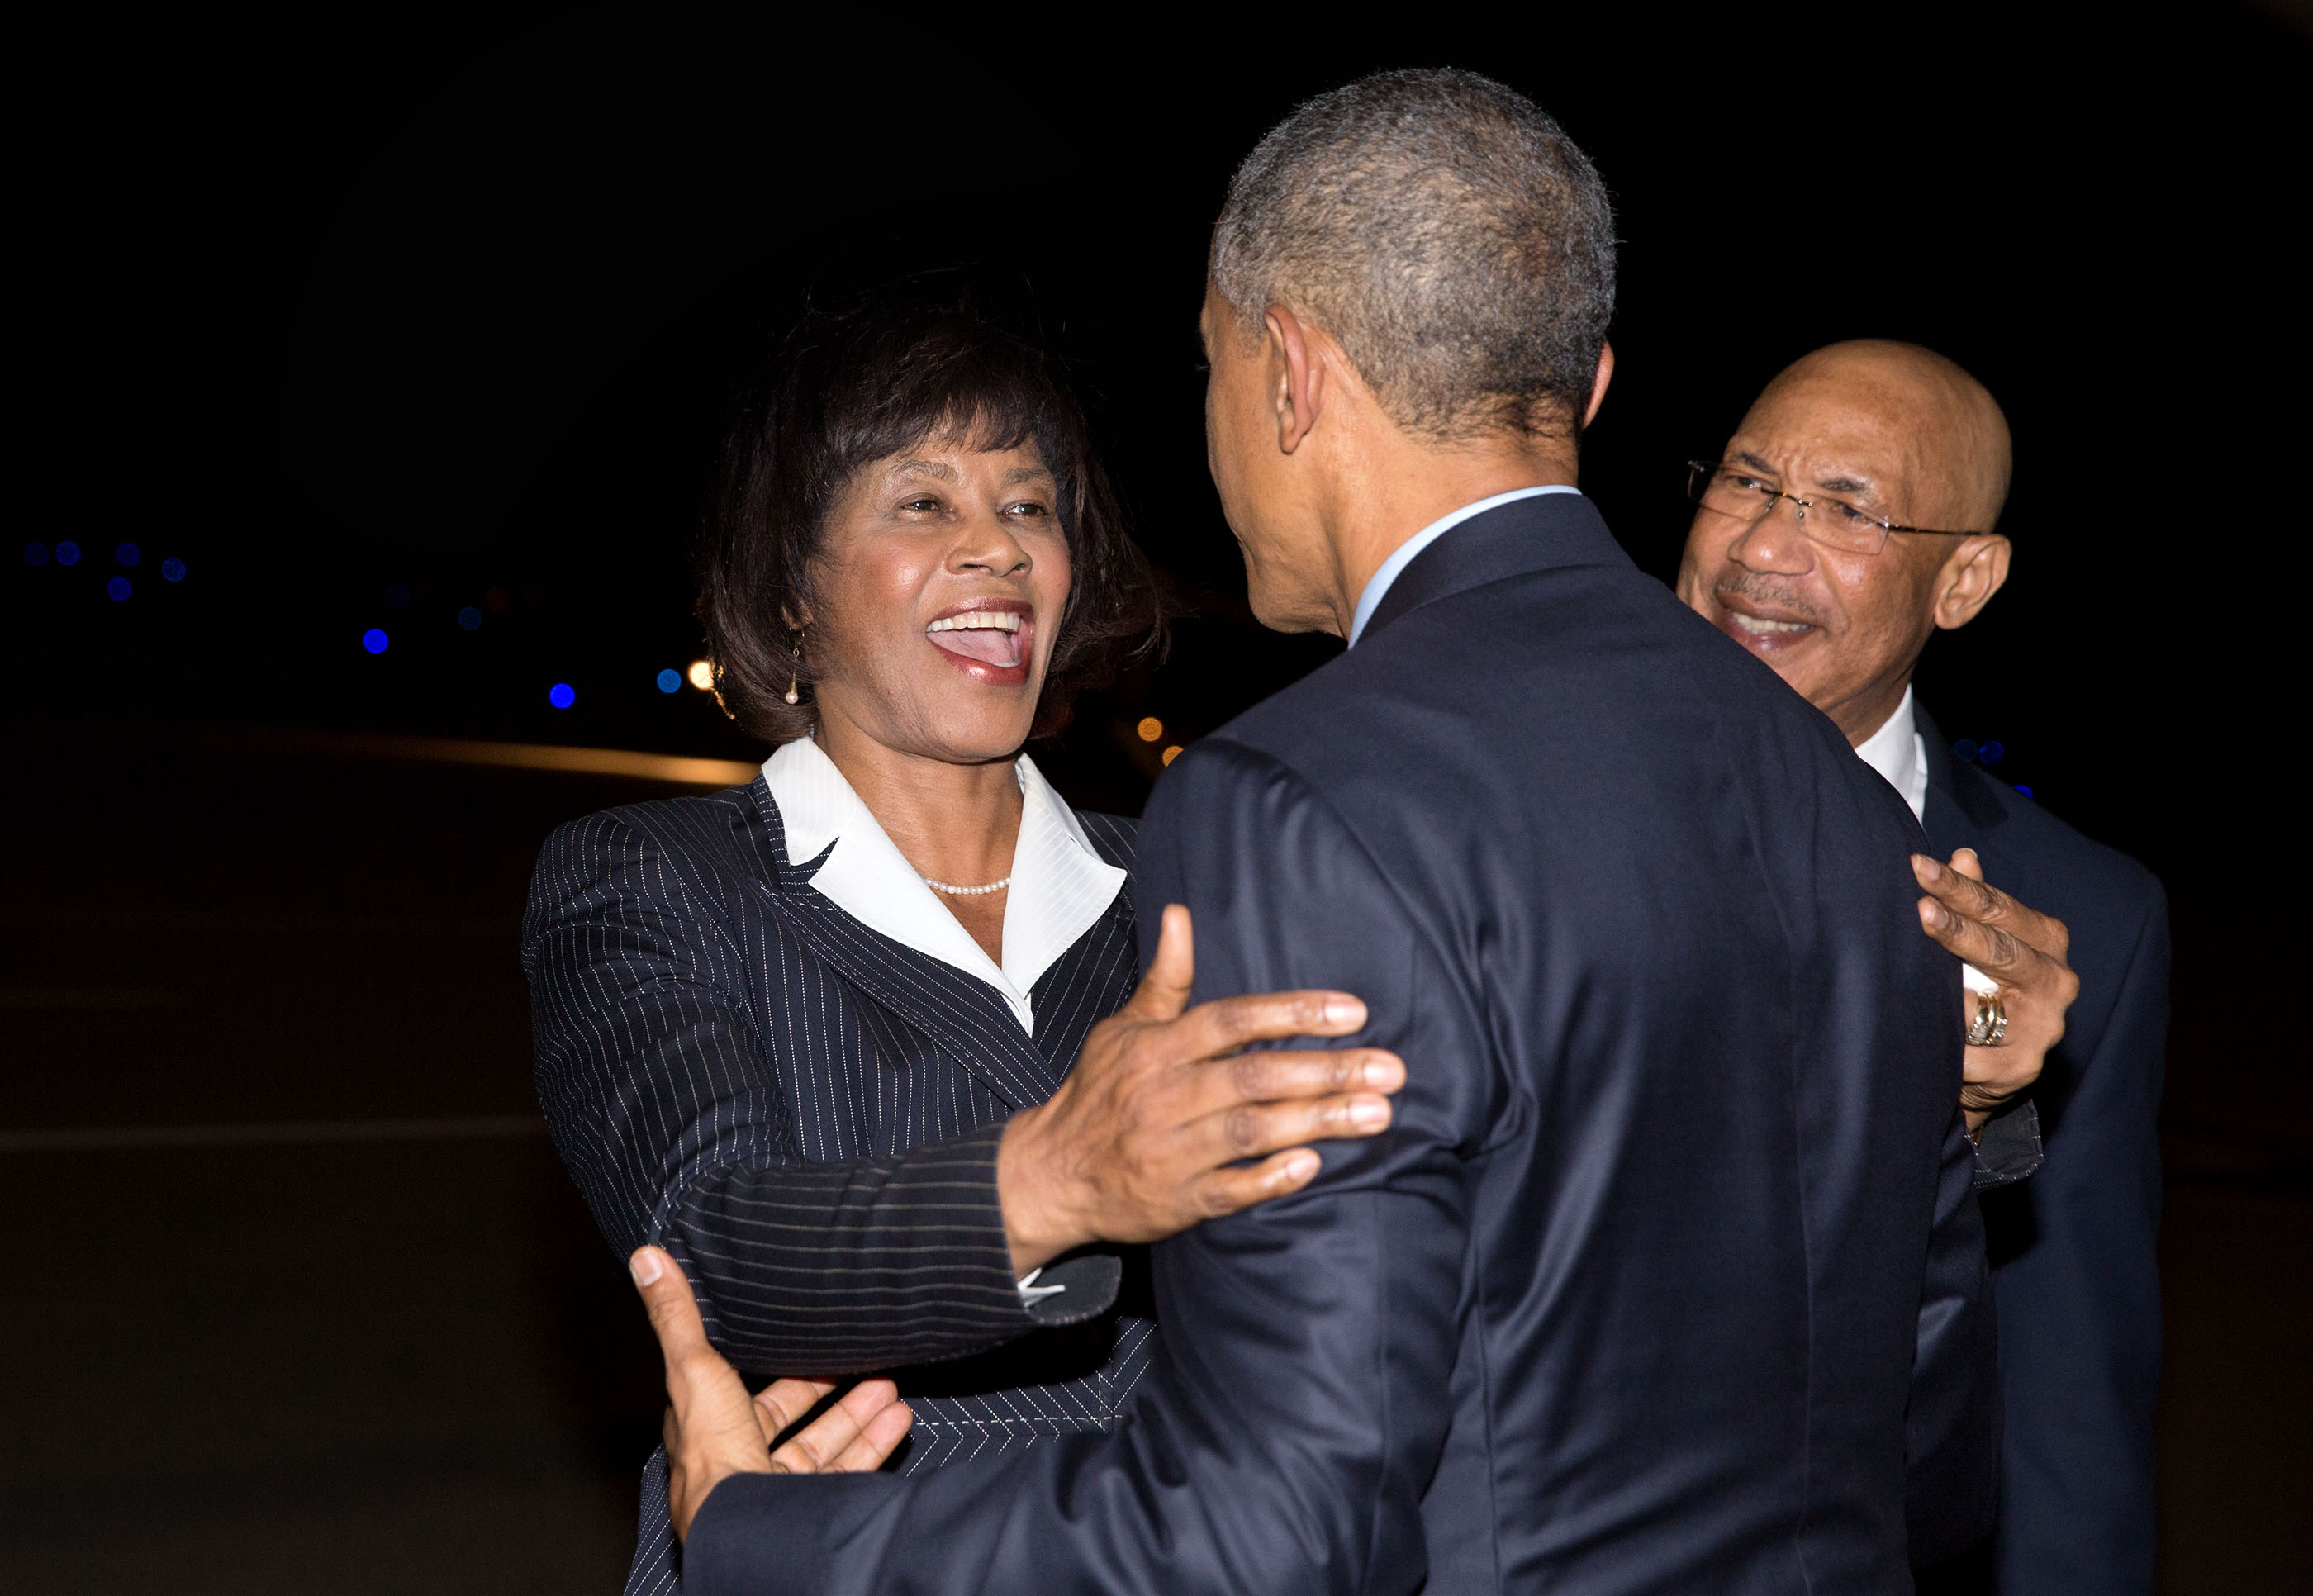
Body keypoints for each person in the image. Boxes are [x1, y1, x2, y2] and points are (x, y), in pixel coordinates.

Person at [642, 69, 2002, 1594]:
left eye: (1212, 370)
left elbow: (1275, 1535)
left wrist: (775, 1538)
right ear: (1592, 386)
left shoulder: (1300, 798)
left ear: (1286, 372)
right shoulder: (1842, 794)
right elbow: (1929, 1436)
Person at [522, 293, 1409, 1596]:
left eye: (1030, 506)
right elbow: (713, 1242)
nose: (995, 546)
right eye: (921, 502)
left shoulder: (1190, 869)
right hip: (825, 1556)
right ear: (793, 586)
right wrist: (1061, 1179)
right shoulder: (654, 880)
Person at [1676, 340, 2168, 1595]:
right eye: (1745, 482)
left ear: (1966, 579)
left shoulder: (2078, 923)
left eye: (1848, 508)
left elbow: (2063, 1388)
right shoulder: (1525, 795)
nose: (1762, 549)